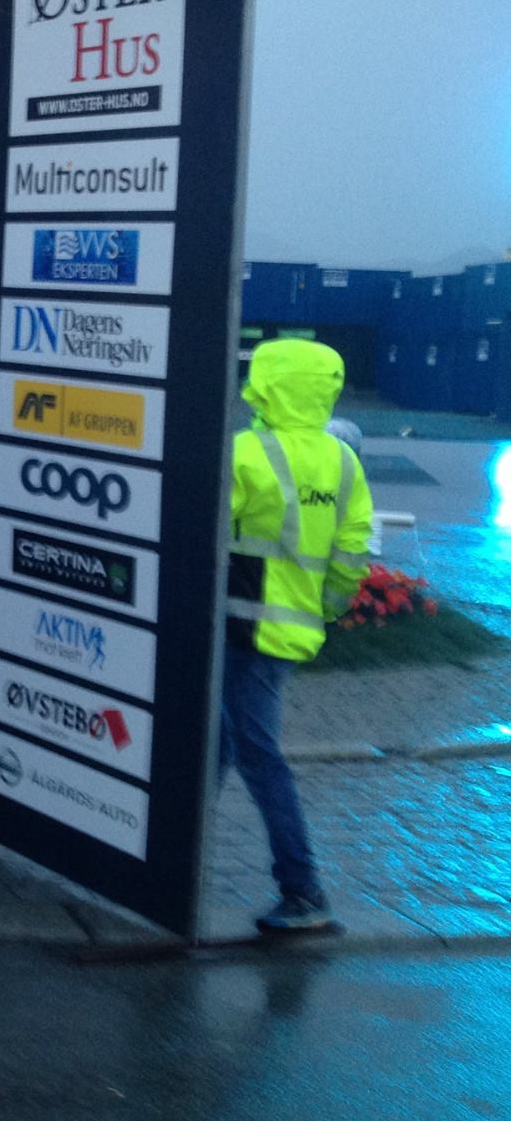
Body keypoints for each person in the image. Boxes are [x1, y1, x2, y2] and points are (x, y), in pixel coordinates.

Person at [223, 338, 373, 934]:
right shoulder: (343, 461)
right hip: (290, 635)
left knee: (257, 755)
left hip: (239, 626)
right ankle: (170, 868)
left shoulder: (245, 454)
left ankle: (303, 889)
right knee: (221, 745)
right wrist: (324, 611)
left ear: (267, 383)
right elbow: (351, 553)